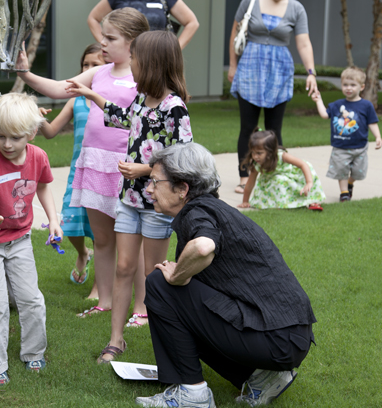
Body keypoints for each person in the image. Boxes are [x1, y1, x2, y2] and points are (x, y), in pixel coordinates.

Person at [135, 142, 315, 408]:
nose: (148, 189)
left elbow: (203, 246)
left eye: (154, 182)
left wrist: (177, 277)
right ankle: (262, 377)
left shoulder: (196, 212)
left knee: (161, 284)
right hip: (290, 336)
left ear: (183, 188)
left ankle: (192, 395)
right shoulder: (214, 208)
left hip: (275, 338)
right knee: (183, 296)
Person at [65, 30, 193, 363]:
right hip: (130, 201)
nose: (129, 63)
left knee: (154, 275)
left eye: (134, 58)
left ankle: (164, 344)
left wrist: (145, 169)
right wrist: (90, 94)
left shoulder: (174, 107)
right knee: (123, 267)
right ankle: (116, 340)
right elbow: (123, 119)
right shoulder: (140, 98)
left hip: (156, 204)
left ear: (150, 63)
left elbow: (183, 158)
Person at [17, 7, 149, 319]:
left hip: (126, 168)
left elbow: (139, 122)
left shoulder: (143, 77)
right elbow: (60, 88)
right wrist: (25, 73)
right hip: (93, 164)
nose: (102, 43)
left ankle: (142, 309)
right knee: (102, 240)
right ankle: (105, 302)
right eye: (103, 36)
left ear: (131, 41)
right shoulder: (98, 72)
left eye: (110, 38)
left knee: (135, 246)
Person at [0, 93, 62, 386]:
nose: (6, 144)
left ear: (31, 133)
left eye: (14, 137)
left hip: (20, 239)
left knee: (31, 300)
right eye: (0, 135)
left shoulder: (38, 156)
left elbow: (43, 187)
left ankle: (33, 353)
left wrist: (53, 219)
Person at [228, 0, 320, 194]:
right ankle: (244, 176)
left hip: (279, 70)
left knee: (274, 130)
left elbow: (303, 42)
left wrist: (311, 73)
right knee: (248, 127)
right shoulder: (251, 0)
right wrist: (233, 65)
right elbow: (235, 33)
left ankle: (272, 175)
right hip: (250, 66)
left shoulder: (296, 8)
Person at [39, 43, 104, 288]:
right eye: (85, 65)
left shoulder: (111, 100)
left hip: (103, 173)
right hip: (78, 173)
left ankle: (100, 286)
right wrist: (39, 118)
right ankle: (83, 253)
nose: (87, 69)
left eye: (94, 65)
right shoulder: (75, 100)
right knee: (72, 224)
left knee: (102, 232)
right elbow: (51, 132)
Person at [312, 66, 381, 201]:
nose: (348, 88)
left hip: (360, 147)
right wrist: (318, 100)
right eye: (345, 85)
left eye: (352, 85)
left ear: (361, 87)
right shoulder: (337, 104)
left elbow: (372, 122)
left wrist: (378, 136)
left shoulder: (366, 105)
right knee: (341, 171)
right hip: (340, 147)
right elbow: (325, 115)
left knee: (359, 173)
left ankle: (350, 183)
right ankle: (344, 193)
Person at [237, 129, 325, 210]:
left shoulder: (282, 156)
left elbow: (303, 164)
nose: (255, 156)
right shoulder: (257, 163)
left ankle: (312, 201)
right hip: (275, 180)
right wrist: (245, 201)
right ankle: (282, 204)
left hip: (293, 176)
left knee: (281, 179)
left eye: (259, 153)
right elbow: (250, 184)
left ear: (270, 151)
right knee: (278, 180)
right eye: (253, 152)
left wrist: (309, 182)